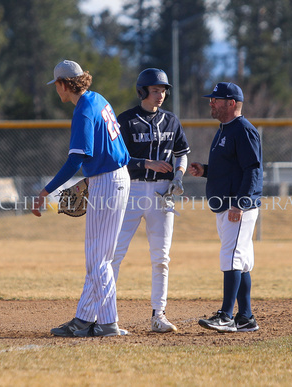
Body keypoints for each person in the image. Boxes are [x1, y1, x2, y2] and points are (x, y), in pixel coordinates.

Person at [31, 60, 131, 337]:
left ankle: (109, 323)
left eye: (57, 86)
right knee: (98, 257)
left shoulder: (84, 111)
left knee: (98, 261)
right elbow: (108, 149)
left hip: (108, 182)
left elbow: (76, 158)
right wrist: (91, 179)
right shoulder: (98, 99)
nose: (57, 91)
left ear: (64, 84)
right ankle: (84, 319)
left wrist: (45, 191)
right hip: (113, 177)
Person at [112, 68, 190, 333]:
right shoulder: (125, 120)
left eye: (164, 90)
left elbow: (181, 154)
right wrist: (146, 163)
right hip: (131, 190)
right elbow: (115, 158)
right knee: (114, 254)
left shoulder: (171, 121)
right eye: (155, 90)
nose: (161, 95)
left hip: (162, 193)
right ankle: (106, 315)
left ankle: (159, 315)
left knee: (162, 257)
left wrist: (178, 176)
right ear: (143, 91)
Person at [188, 82, 263, 333]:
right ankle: (245, 317)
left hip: (236, 205)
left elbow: (252, 170)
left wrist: (240, 203)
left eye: (216, 99)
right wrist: (205, 171)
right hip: (226, 203)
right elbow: (231, 168)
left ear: (231, 103)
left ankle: (226, 316)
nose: (211, 102)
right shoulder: (225, 129)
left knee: (231, 257)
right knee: (240, 261)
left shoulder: (243, 130)